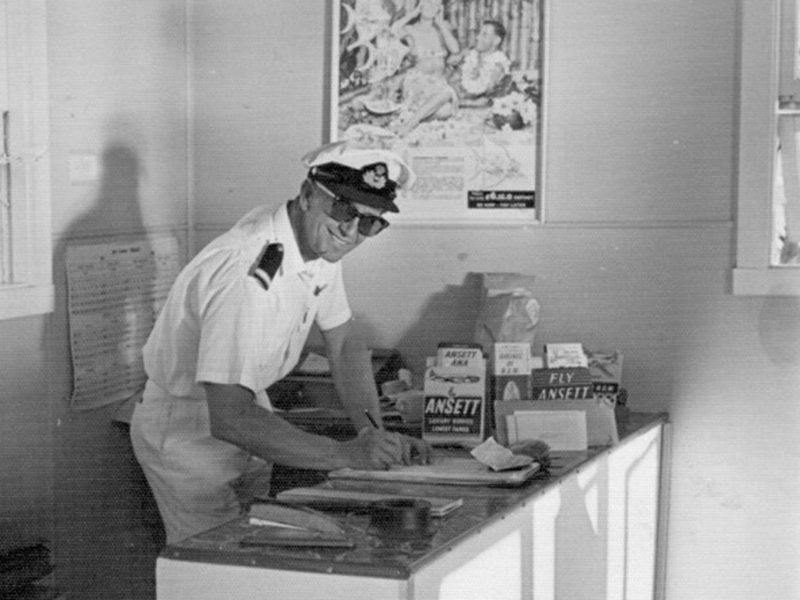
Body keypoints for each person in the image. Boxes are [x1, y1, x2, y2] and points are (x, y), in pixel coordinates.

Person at [130, 141, 432, 544]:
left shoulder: (317, 245)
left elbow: (344, 347)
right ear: (307, 195)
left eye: (370, 223)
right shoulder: (245, 272)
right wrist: (345, 455)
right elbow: (229, 418)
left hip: (248, 409)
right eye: (343, 209)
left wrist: (372, 435)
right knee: (215, 569)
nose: (351, 231)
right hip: (190, 428)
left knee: (256, 556)